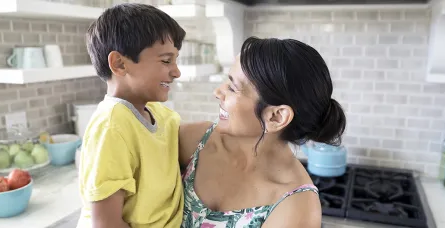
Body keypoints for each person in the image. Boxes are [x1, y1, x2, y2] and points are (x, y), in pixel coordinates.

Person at [178, 37, 347, 227]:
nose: (218, 92)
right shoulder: (197, 141)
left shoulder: (296, 206)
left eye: (232, 88)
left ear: (276, 117)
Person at [76, 3, 186, 228]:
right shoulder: (112, 126)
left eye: (175, 60)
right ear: (119, 64)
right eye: (166, 60)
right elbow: (106, 224)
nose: (176, 72)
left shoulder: (160, 114)